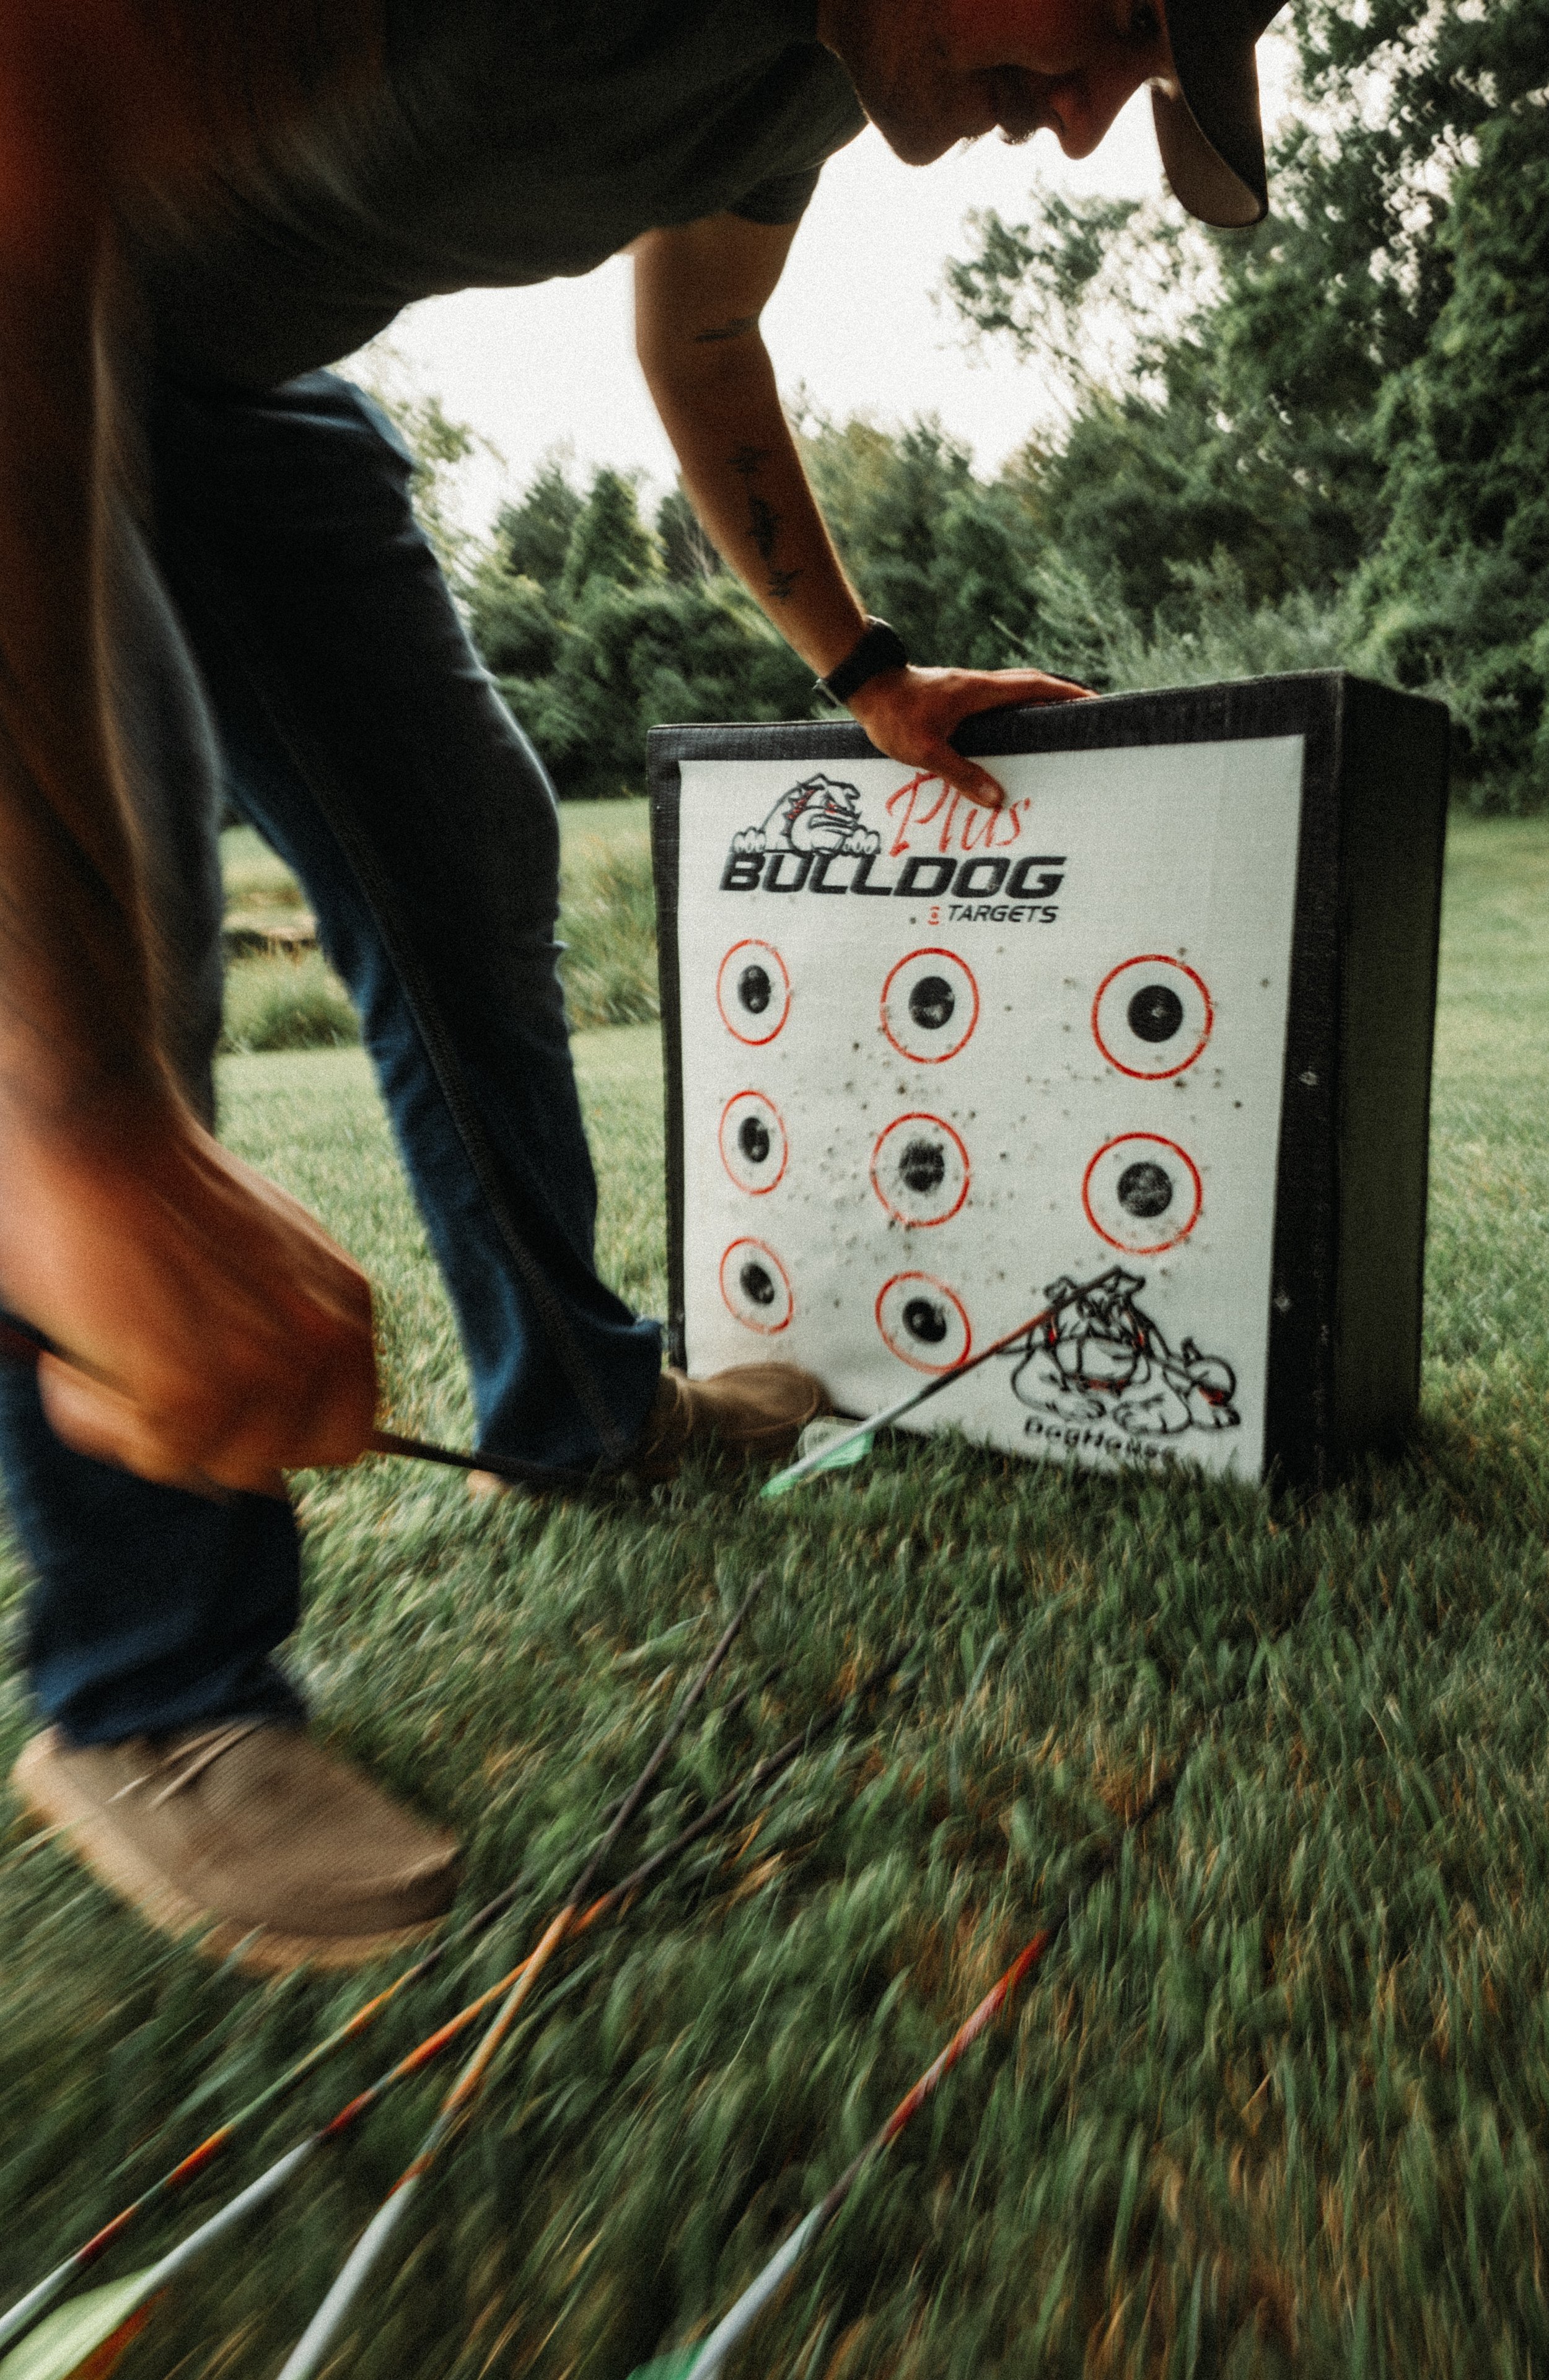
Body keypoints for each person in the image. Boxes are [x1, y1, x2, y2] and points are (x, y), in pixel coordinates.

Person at [0, 0, 1284, 1968]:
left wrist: (867, 669)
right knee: (118, 908)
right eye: (1115, 17)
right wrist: (79, 1131)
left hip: (242, 378)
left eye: (1158, 83)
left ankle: (575, 1408)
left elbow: (700, 337)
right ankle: (151, 1684)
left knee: (468, 837)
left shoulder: (818, 74)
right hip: (39, 282)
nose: (1097, 113)